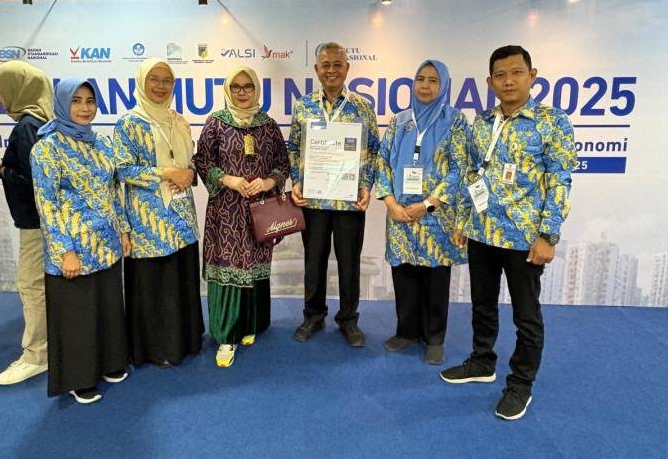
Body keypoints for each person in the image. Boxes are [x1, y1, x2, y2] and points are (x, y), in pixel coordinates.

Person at [440, 45, 577, 420]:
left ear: (532, 76)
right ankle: (482, 362)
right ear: (490, 82)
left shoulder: (551, 122)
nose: (508, 81)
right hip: (483, 233)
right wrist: (464, 220)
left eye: (516, 73)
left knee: (526, 316)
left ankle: (520, 385)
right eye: (500, 75)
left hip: (524, 239)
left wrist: (548, 235)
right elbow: (472, 174)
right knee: (482, 305)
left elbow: (559, 181)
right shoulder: (483, 123)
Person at [30, 78, 130, 404]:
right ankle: (79, 378)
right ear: (62, 104)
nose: (85, 108)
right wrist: (65, 252)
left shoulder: (101, 143)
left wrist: (123, 231)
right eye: (76, 101)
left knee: (107, 308)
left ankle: (109, 362)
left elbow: (114, 191)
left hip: (106, 244)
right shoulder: (47, 148)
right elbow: (47, 205)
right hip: (73, 248)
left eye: (90, 101)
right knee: (78, 316)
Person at [373, 59, 468, 364]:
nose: (425, 86)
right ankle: (406, 331)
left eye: (433, 80)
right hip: (399, 214)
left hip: (435, 216)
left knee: (435, 278)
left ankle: (434, 337)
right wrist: (390, 203)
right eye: (420, 79)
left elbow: (459, 168)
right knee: (404, 274)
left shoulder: (454, 121)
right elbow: (382, 162)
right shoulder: (400, 121)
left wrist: (428, 204)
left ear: (444, 85)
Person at [194, 66, 289, 367]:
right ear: (228, 90)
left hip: (259, 211)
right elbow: (202, 161)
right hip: (226, 213)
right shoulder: (216, 123)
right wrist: (228, 180)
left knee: (256, 266)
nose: (242, 92)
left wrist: (269, 182)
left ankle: (250, 323)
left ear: (256, 89)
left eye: (248, 86)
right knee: (229, 268)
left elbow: (282, 164)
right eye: (236, 87)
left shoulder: (268, 125)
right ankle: (226, 336)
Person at [113, 57, 204, 368]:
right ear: (142, 81)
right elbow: (123, 170)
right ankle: (157, 349)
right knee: (154, 286)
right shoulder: (129, 123)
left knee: (181, 280)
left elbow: (189, 162)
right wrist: (165, 173)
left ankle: (186, 341)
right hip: (149, 221)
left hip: (182, 217)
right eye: (154, 79)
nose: (161, 86)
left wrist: (189, 173)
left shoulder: (179, 120)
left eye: (167, 80)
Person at [288, 42, 380, 347]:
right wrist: (296, 181)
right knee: (313, 261)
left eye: (337, 64)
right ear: (316, 70)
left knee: (349, 262)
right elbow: (294, 147)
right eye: (325, 65)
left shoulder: (363, 107)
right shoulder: (303, 106)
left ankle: (348, 319)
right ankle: (313, 315)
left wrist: (366, 185)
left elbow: (374, 150)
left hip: (349, 200)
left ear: (347, 68)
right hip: (313, 199)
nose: (331, 70)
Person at [0, 60, 53, 385]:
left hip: (35, 222)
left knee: (32, 286)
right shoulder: (42, 122)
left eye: (0, 89)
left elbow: (36, 180)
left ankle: (37, 355)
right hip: (45, 221)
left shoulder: (28, 126)